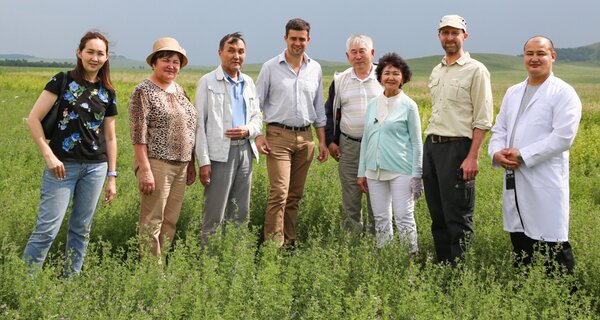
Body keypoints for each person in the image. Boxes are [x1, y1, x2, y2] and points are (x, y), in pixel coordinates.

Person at [23, 31, 118, 276]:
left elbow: (110, 137)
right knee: (47, 229)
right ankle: (24, 283)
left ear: (107, 57)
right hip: (62, 167)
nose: (95, 58)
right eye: (90, 52)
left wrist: (112, 176)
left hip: (95, 168)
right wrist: (49, 155)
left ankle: (70, 281)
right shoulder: (62, 80)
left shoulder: (108, 92)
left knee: (81, 229)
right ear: (79, 53)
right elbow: (33, 119)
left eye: (100, 53)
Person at [488, 36, 582, 274]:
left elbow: (563, 137)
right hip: (515, 179)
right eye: (529, 53)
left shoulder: (563, 93)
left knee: (554, 247)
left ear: (553, 56)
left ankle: (565, 304)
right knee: (521, 245)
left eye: (541, 53)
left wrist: (523, 155)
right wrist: (496, 152)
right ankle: (525, 301)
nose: (534, 58)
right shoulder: (513, 92)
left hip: (544, 180)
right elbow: (500, 128)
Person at [423, 15, 493, 264]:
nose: (450, 38)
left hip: (457, 148)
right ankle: (444, 267)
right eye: (445, 33)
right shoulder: (437, 70)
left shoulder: (476, 70)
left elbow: (483, 119)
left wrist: (472, 156)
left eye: (455, 33)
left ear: (465, 36)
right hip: (432, 147)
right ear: (439, 36)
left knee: (458, 216)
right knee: (437, 213)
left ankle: (460, 276)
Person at [255, 18, 328, 247]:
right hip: (278, 136)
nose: (297, 43)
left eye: (302, 39)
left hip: (306, 138)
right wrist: (258, 135)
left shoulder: (315, 68)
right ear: (285, 38)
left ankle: (289, 242)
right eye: (293, 38)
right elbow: (256, 104)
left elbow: (318, 109)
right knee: (279, 192)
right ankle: (273, 246)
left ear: (309, 40)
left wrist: (322, 142)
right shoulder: (270, 67)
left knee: (295, 195)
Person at [129, 37, 197, 258]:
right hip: (158, 164)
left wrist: (192, 164)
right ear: (154, 63)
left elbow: (190, 126)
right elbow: (138, 134)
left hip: (181, 165)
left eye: (176, 62)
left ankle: (162, 263)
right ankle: (151, 272)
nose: (171, 66)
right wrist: (145, 169)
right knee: (152, 221)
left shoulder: (179, 90)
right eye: (166, 60)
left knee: (170, 220)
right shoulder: (144, 91)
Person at [193, 32, 263, 244]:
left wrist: (248, 129)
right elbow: (199, 125)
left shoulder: (248, 82)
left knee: (240, 213)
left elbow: (257, 116)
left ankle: (234, 265)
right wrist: (204, 162)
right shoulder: (207, 82)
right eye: (231, 51)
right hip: (219, 155)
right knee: (215, 215)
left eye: (241, 51)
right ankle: (210, 266)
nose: (236, 56)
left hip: (245, 152)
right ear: (220, 53)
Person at [357, 53, 423, 252]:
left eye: (396, 73)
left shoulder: (409, 106)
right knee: (381, 219)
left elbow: (417, 142)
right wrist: (362, 172)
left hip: (401, 171)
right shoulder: (372, 106)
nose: (391, 78)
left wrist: (417, 175)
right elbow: (366, 139)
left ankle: (410, 263)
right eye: (387, 73)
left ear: (403, 78)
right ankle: (386, 260)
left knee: (404, 217)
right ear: (380, 77)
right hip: (374, 172)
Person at [325, 34, 382, 235]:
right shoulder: (340, 81)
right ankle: (353, 243)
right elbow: (330, 112)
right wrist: (331, 141)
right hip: (349, 146)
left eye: (362, 51)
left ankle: (379, 243)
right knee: (351, 196)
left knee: (378, 196)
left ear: (372, 53)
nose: (358, 56)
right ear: (348, 56)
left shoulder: (385, 76)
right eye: (354, 52)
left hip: (379, 147)